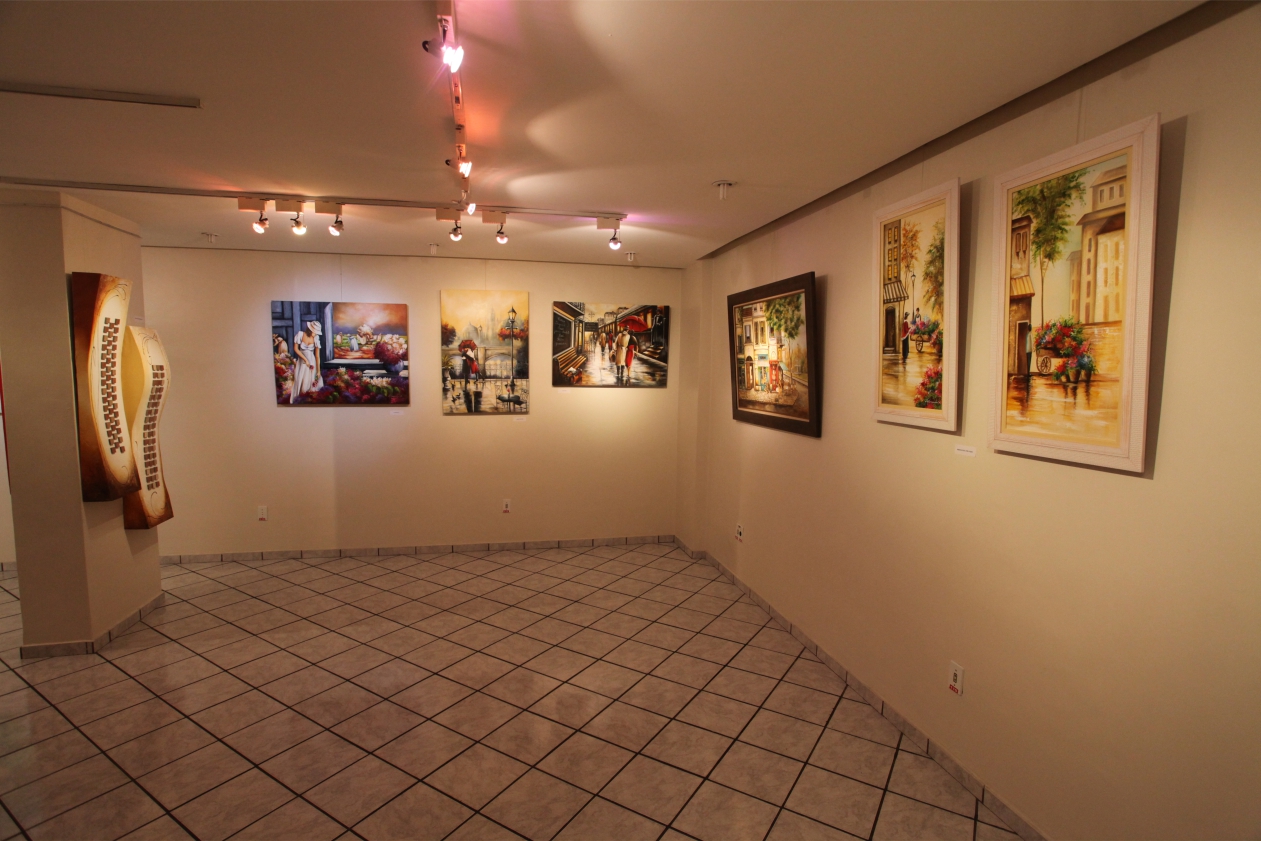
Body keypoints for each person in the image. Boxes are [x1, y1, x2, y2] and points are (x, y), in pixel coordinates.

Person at [290, 321, 322, 403]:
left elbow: (317, 356)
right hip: (302, 362)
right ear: (310, 330)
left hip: (312, 362)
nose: (316, 334)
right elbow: (296, 349)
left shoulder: (316, 338)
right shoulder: (300, 334)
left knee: (309, 383)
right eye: (314, 332)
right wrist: (305, 359)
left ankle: (307, 400)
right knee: (300, 381)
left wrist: (318, 371)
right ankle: (298, 400)